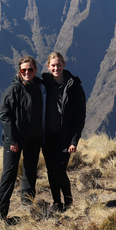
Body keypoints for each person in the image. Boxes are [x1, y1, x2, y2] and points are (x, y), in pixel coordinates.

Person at [0, 56, 46, 220]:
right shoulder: (12, 90)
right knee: (9, 174)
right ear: (19, 71)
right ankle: (0, 213)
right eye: (23, 70)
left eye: (30, 69)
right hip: (14, 140)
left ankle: (28, 204)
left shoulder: (38, 87)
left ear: (35, 70)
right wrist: (12, 139)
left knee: (30, 172)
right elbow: (4, 116)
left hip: (34, 138)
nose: (27, 72)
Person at [42, 52, 86, 212]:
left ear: (64, 65)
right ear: (48, 67)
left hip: (64, 138)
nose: (56, 68)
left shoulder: (74, 86)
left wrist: (74, 141)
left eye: (59, 65)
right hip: (47, 137)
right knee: (50, 171)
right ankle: (56, 203)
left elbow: (79, 117)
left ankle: (68, 201)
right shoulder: (44, 83)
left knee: (58, 170)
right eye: (53, 65)